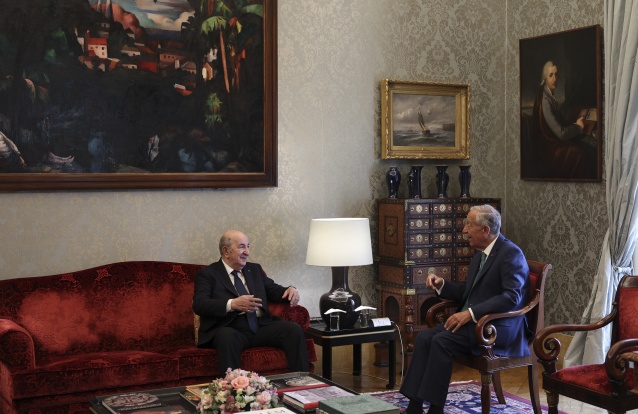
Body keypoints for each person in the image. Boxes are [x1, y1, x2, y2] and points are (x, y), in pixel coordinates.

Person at [399, 205, 529, 414]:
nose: (464, 230)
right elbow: (469, 293)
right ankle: (414, 407)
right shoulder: (480, 255)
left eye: (469, 225)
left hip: (496, 329)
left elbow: (512, 297)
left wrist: (471, 313)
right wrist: (442, 285)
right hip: (475, 325)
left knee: (441, 341)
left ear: (485, 230)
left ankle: (435, 410)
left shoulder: (511, 254)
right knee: (424, 338)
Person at [193, 230, 309, 375]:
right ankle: (234, 386)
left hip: (260, 326)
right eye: (242, 247)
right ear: (226, 251)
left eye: (248, 246)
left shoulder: (254, 269)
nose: (247, 252)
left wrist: (290, 289)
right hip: (230, 328)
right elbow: (200, 304)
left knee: (293, 329)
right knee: (227, 336)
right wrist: (232, 304)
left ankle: (302, 380)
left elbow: (273, 290)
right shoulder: (208, 274)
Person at [532, 60, 588, 178]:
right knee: (579, 153)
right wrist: (578, 127)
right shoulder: (545, 100)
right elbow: (561, 134)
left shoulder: (548, 95)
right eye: (551, 75)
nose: (555, 78)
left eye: (556, 74)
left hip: (550, 144)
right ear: (544, 78)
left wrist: (573, 122)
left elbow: (557, 122)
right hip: (547, 150)